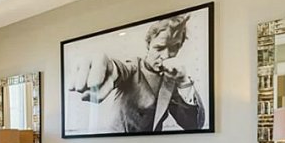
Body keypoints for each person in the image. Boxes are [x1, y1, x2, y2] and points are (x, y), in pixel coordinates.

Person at [69, 14, 206, 133]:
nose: (166, 55)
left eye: (174, 48)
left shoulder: (172, 81)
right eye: (159, 48)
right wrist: (110, 69)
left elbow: (194, 125)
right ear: (148, 45)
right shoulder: (134, 66)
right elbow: (121, 69)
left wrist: (183, 82)